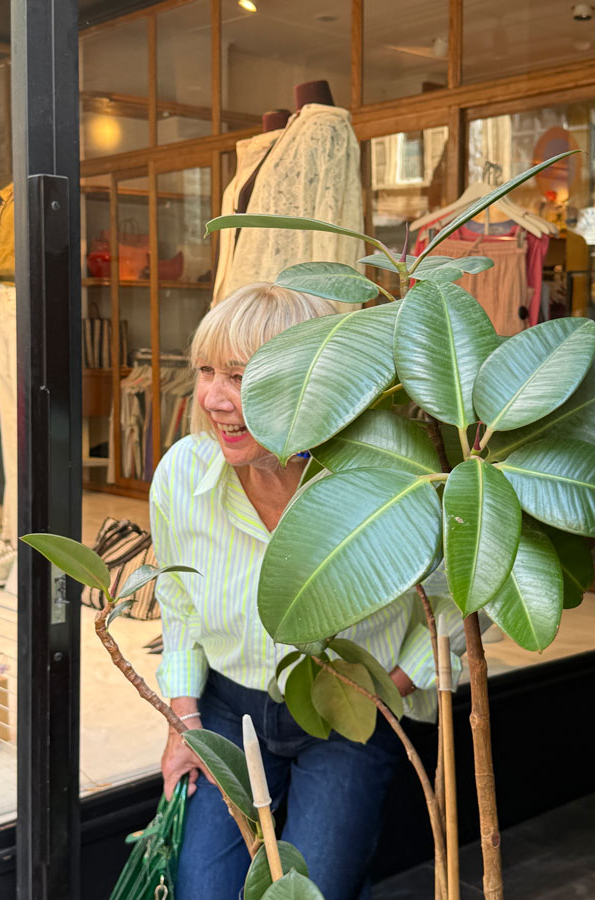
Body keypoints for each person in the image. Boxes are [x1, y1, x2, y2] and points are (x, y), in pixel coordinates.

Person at [150, 282, 468, 900]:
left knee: (317, 888)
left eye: (240, 375)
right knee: (203, 890)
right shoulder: (182, 473)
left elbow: (459, 594)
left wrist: (388, 689)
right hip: (228, 710)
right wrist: (183, 725)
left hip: (351, 713)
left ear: (310, 384)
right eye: (207, 371)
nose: (213, 397)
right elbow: (179, 604)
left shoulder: (392, 477)